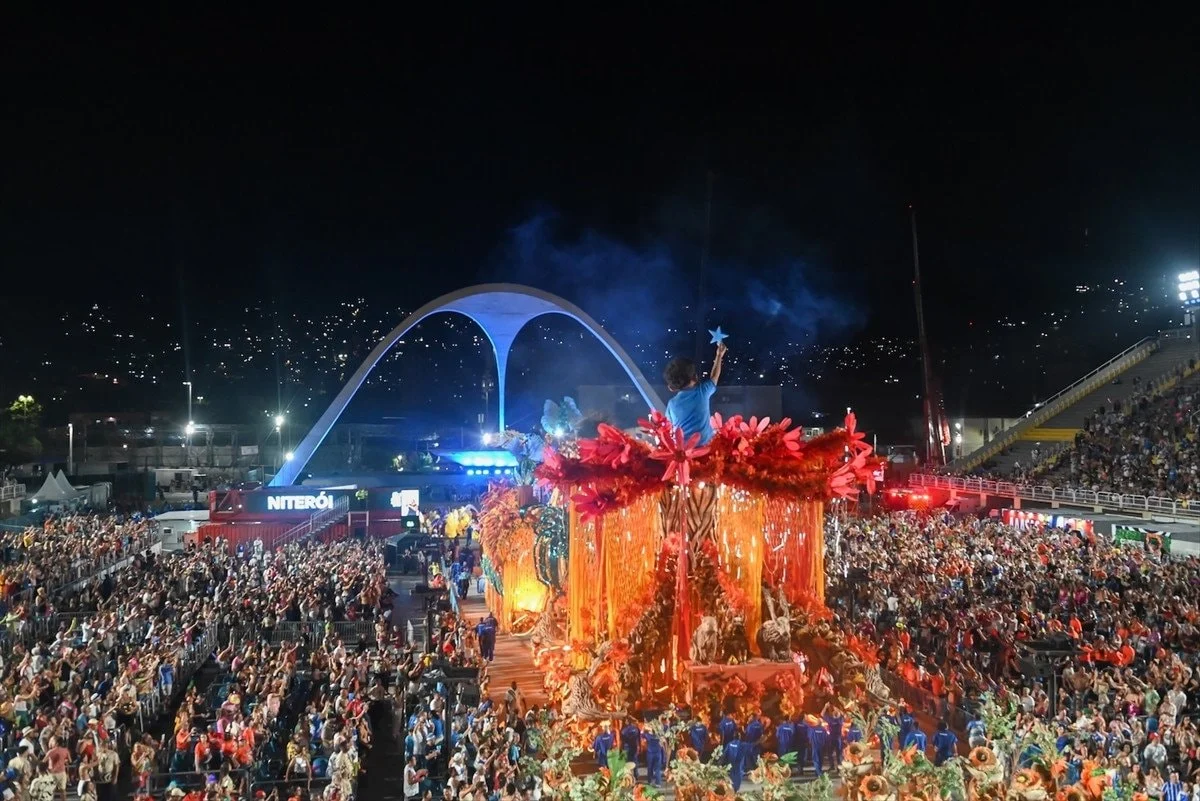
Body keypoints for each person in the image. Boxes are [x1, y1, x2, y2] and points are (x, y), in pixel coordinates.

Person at [663, 341, 727, 445]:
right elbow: (714, 377)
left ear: (672, 388)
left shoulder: (672, 404)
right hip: (706, 449)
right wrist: (719, 355)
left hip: (685, 453)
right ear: (695, 378)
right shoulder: (702, 392)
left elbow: (668, 426)